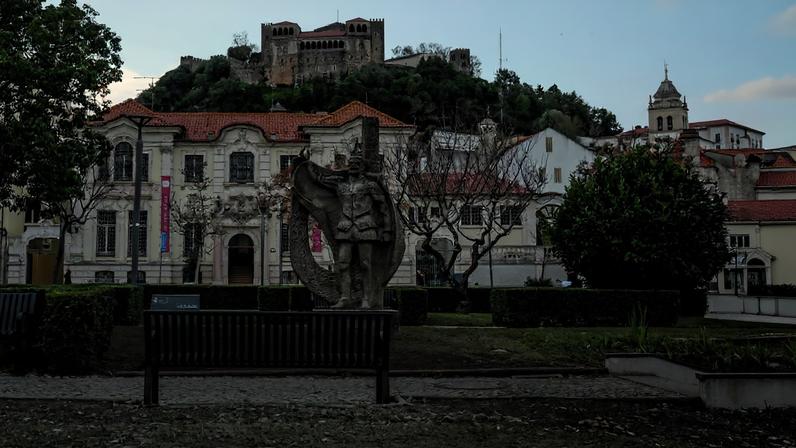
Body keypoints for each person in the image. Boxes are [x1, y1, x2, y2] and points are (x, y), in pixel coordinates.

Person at [333, 149, 392, 308]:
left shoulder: (371, 185)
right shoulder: (341, 186)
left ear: (362, 167)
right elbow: (323, 179)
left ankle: (366, 298)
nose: (353, 166)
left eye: (357, 164)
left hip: (365, 227)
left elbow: (383, 207)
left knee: (365, 264)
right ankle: (345, 297)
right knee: (343, 264)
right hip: (345, 227)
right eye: (351, 163)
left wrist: (387, 229)